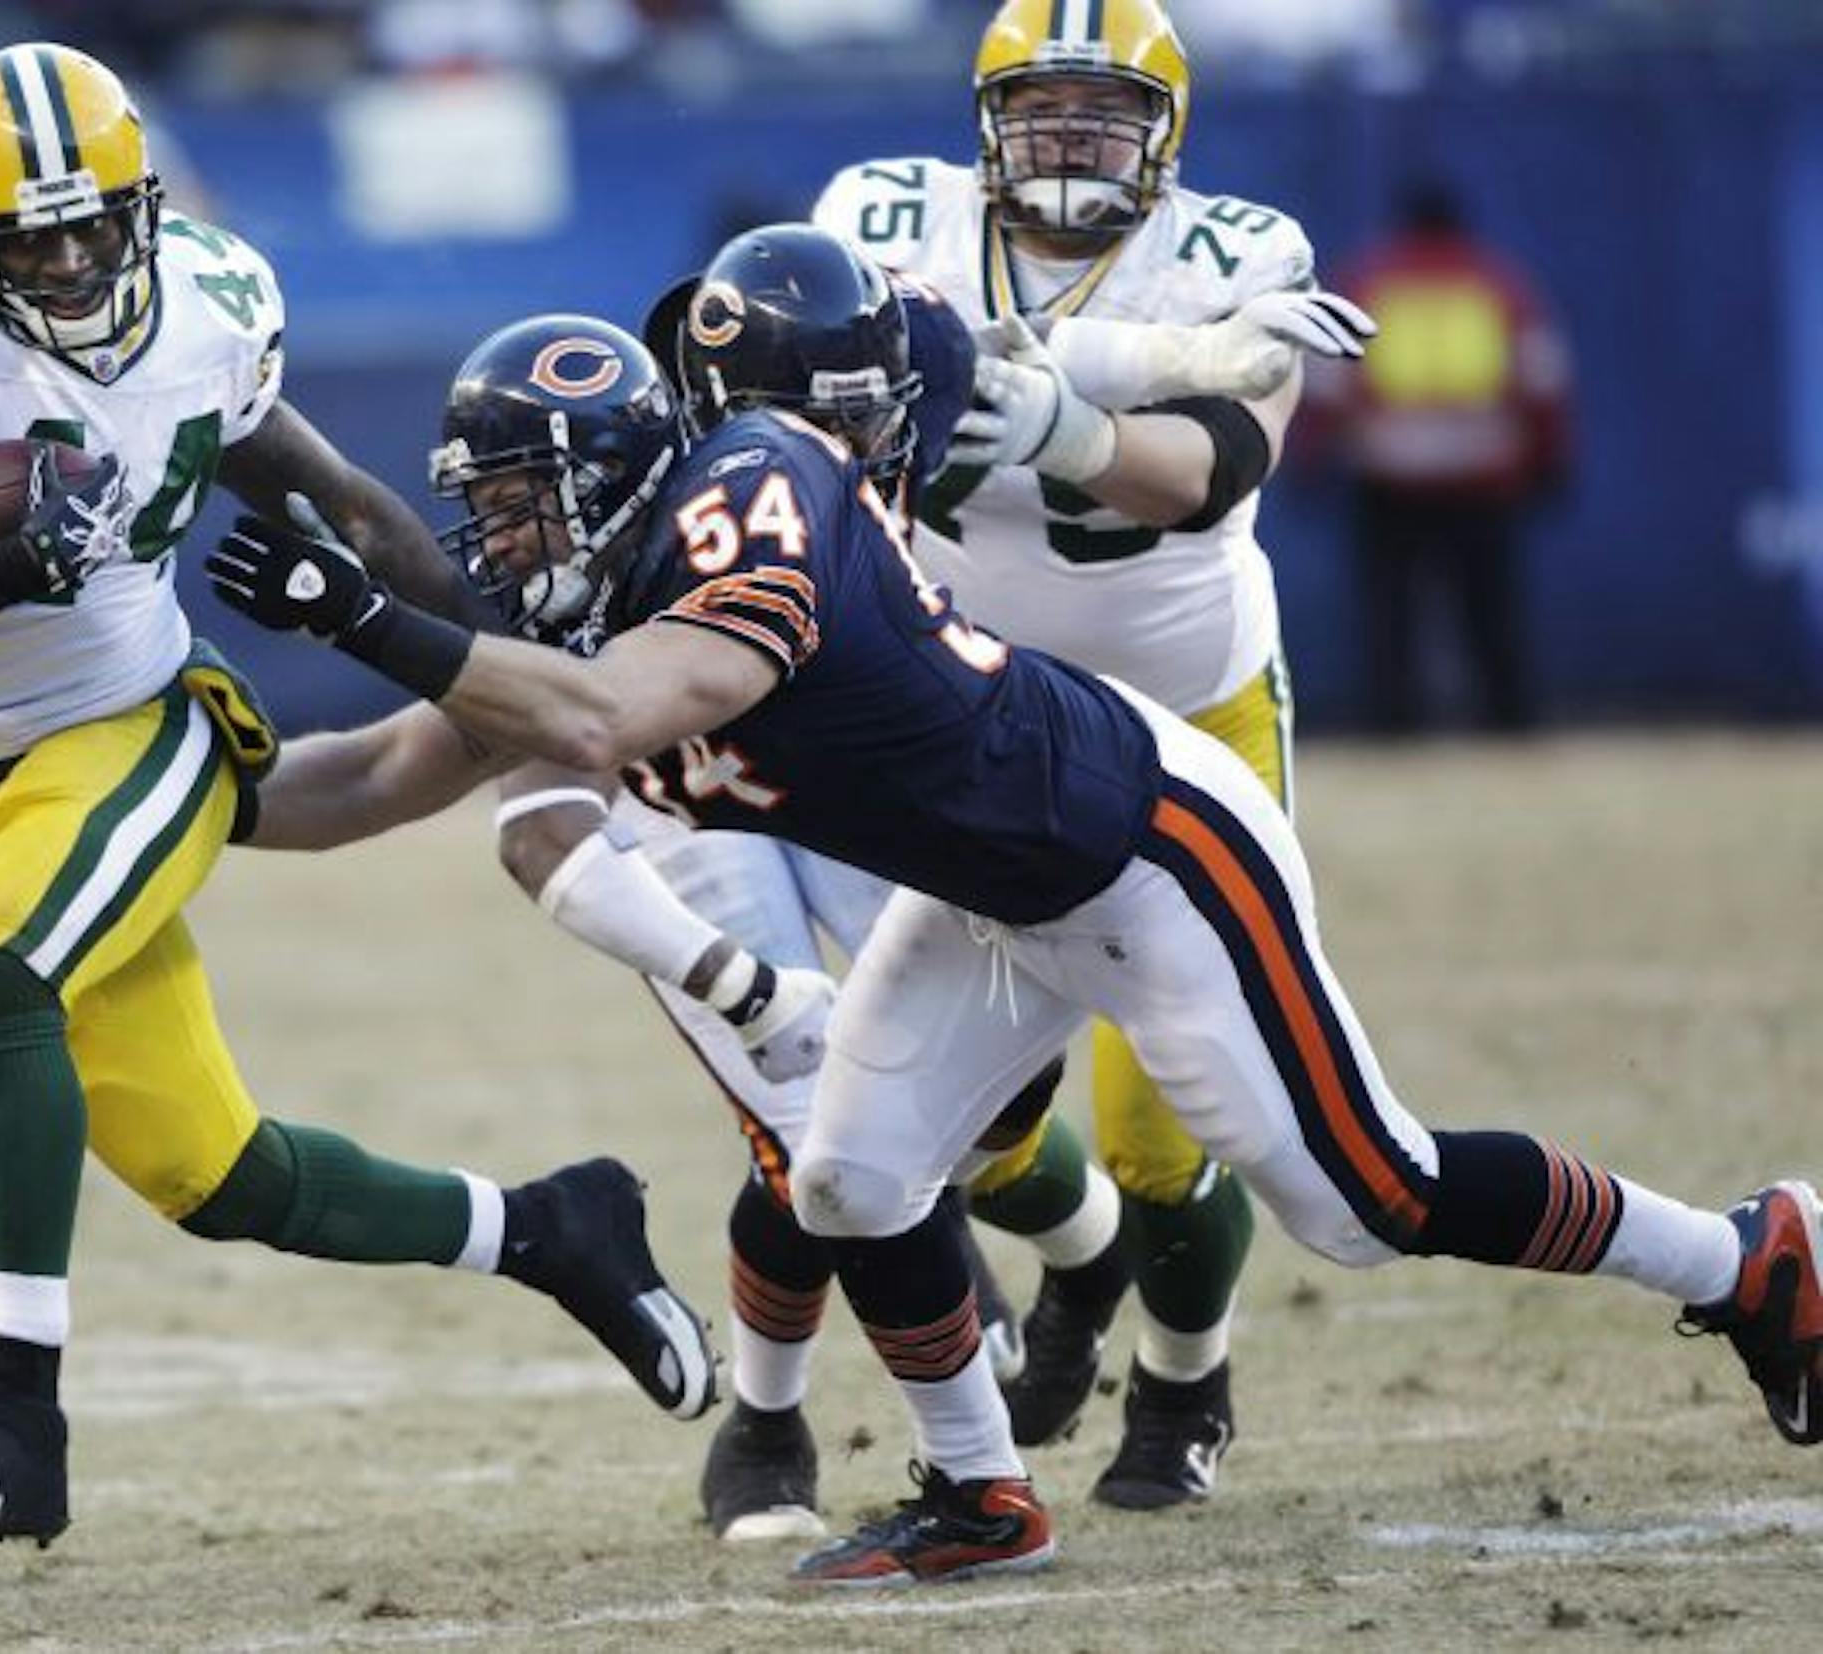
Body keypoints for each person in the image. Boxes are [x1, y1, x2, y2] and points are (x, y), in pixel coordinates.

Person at [204, 246, 1822, 1588]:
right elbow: (366, 780)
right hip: (985, 889)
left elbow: (605, 718)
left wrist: (361, 611)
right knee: (845, 1168)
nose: (498, 543)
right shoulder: (595, 602)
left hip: (1145, 844)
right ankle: (984, 1494)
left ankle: (1750, 1256)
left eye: (519, 505)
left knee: (1364, 1193)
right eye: (480, 511)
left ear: (617, 475)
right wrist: (177, 786)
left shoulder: (748, 489)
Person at [0, 40, 717, 1550]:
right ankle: (553, 1227)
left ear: (144, 198)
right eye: (37, 237)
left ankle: (16, 1420)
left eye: (98, 223)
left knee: (5, 969)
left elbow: (339, 499)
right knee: (221, 1176)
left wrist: (509, 666)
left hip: (137, 723)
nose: (77, 258)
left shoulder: (208, 307)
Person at [807, 0, 1376, 1508]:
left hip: (1185, 709)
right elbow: (859, 366)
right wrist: (1157, 352)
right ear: (984, 122)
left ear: (1166, 137)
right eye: (1040, 108)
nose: (1066, 139)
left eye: (1103, 112)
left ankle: (1188, 1380)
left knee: (1168, 1126)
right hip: (972, 717)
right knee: (970, 1131)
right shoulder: (881, 212)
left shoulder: (1247, 249)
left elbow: (1207, 474)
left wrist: (1062, 418)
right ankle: (1082, 1269)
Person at [490, 243, 1066, 1543]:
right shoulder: (639, 501)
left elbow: (1022, 331)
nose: (837, 442)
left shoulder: (919, 353)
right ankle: (769, 1421)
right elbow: (542, 787)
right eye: (802, 417)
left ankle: (1066, 1256)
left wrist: (1150, 362)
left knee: (974, 1079)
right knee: (812, 1132)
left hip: (860, 759)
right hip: (693, 782)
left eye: (861, 410)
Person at [1310, 177, 1573, 735]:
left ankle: (1394, 725)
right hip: (1485, 475)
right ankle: (1510, 722)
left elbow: (1327, 383)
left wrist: (1312, 458)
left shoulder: (1368, 277)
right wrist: (1550, 460)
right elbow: (1542, 378)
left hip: (1388, 473)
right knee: (1491, 615)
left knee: (1391, 617)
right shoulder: (1498, 281)